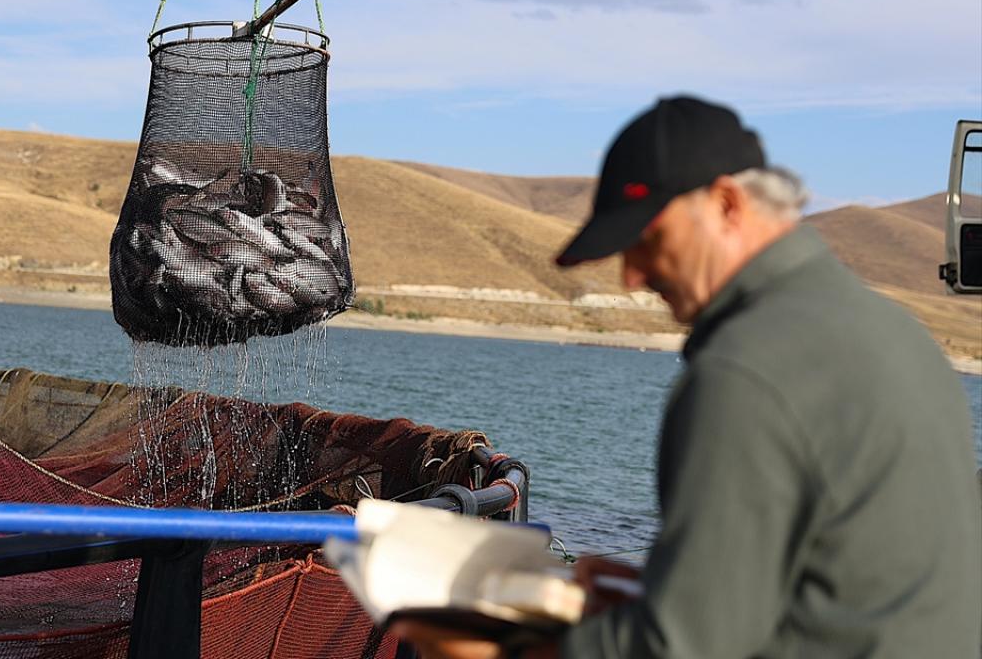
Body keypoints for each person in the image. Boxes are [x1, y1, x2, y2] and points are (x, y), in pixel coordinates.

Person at [394, 96, 982, 658]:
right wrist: (648, 595)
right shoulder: (892, 331)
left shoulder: (746, 370)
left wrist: (508, 647)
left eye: (648, 238)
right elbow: (835, 583)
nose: (632, 277)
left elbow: (685, 646)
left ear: (727, 204)